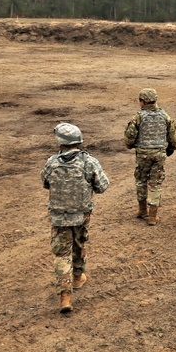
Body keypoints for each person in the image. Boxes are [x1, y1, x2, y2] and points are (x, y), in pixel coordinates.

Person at [41, 123, 110, 313]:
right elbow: (102, 186)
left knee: (62, 255)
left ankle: (65, 297)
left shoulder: (52, 162)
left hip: (59, 217)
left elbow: (45, 183)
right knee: (80, 243)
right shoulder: (89, 162)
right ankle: (78, 277)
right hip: (81, 214)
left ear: (60, 142)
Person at [124, 88, 176, 226]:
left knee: (141, 181)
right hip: (159, 154)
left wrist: (130, 145)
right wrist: (170, 149)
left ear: (142, 102)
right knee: (155, 183)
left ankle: (142, 211)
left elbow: (130, 136)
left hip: (143, 154)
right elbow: (172, 136)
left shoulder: (138, 117)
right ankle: (153, 216)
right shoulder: (165, 116)